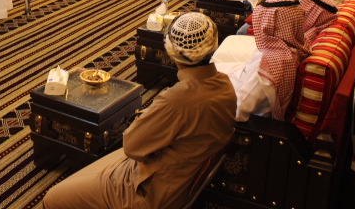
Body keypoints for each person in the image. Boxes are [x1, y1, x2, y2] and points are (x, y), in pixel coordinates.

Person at [43, 12, 236, 209]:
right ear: (214, 45)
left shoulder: (176, 100)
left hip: (152, 190)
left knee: (53, 198)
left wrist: (150, 116)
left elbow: (132, 147)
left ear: (172, 52)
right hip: (180, 176)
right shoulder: (225, 85)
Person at [212, 0, 305, 122]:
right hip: (238, 80)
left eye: (261, 19)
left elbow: (238, 109)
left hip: (233, 102)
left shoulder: (269, 66)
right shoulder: (292, 49)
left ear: (271, 25)